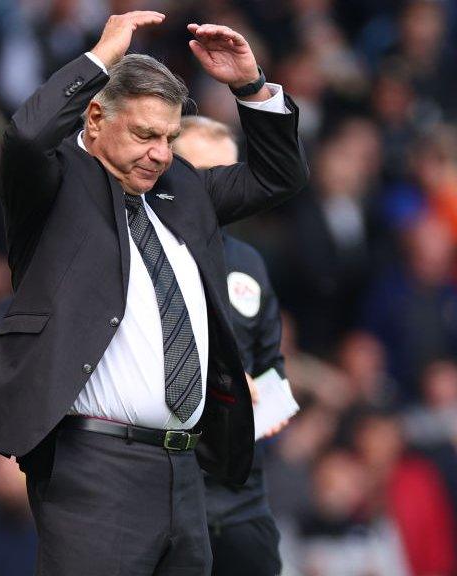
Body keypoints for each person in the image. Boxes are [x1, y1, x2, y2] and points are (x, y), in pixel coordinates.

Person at [0, 12, 308, 575]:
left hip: (186, 468)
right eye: (145, 134)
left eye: (170, 138)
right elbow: (25, 135)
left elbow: (278, 177)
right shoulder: (52, 186)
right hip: (93, 468)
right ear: (95, 118)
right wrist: (101, 57)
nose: (161, 153)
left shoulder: (182, 189)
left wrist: (249, 85)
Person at [172, 115, 289, 576]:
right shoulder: (139, 253)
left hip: (242, 499)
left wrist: (266, 396)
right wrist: (221, 383)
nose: (223, 191)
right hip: (167, 495)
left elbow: (270, 361)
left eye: (231, 176)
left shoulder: (248, 262)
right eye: (207, 176)